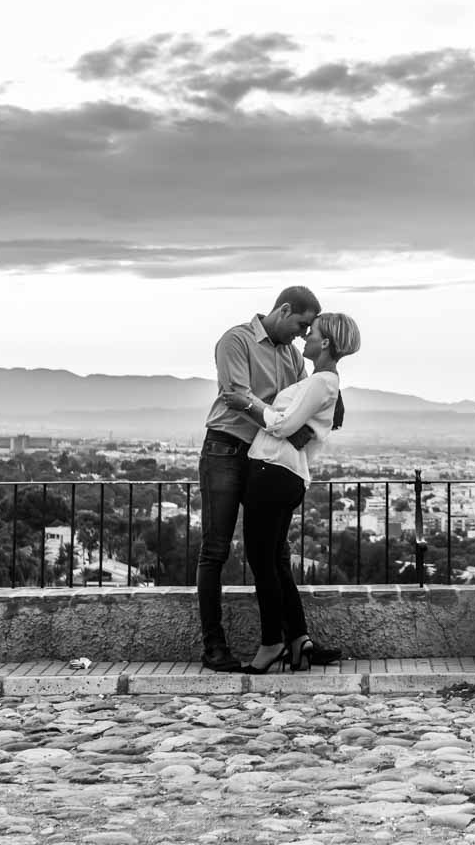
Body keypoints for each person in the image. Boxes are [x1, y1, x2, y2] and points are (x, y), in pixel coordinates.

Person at [197, 286, 320, 672]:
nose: (303, 334)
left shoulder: (293, 358)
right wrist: (283, 425)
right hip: (226, 449)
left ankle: (292, 639)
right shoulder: (237, 340)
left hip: (263, 458)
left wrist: (292, 424)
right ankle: (213, 646)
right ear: (284, 310)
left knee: (274, 552)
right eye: (301, 324)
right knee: (216, 549)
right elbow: (235, 394)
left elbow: (301, 400)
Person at [240, 311, 361, 674]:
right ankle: (298, 640)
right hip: (285, 473)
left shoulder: (323, 381)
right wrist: (279, 416)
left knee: (262, 563)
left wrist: (255, 407)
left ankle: (271, 642)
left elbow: (288, 424)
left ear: (325, 343)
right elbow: (299, 427)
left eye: (313, 333)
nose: (305, 337)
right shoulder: (324, 382)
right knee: (275, 561)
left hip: (272, 471)